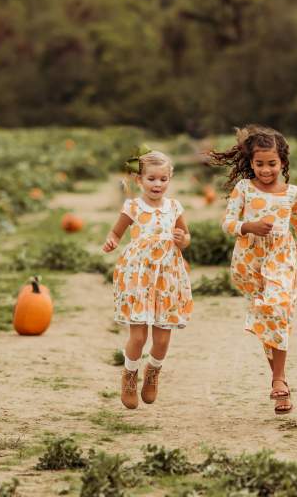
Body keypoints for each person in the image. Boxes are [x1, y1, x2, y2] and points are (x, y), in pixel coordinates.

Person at [208, 125, 297, 414]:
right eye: (259, 164)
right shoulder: (243, 189)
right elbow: (227, 223)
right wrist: (247, 226)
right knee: (269, 317)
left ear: (283, 162)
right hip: (250, 262)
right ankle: (281, 384)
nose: (265, 170)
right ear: (251, 163)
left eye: (272, 163)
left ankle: (278, 379)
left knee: (277, 310)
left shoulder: (293, 194)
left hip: (280, 258)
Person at [103, 150, 193, 409]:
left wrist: (182, 240)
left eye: (163, 179)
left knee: (163, 338)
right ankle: (130, 375)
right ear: (140, 180)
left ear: (169, 179)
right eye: (152, 179)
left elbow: (186, 238)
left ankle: (153, 372)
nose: (158, 185)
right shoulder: (133, 206)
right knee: (139, 335)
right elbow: (116, 232)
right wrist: (111, 241)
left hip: (167, 276)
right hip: (138, 276)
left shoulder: (174, 207)